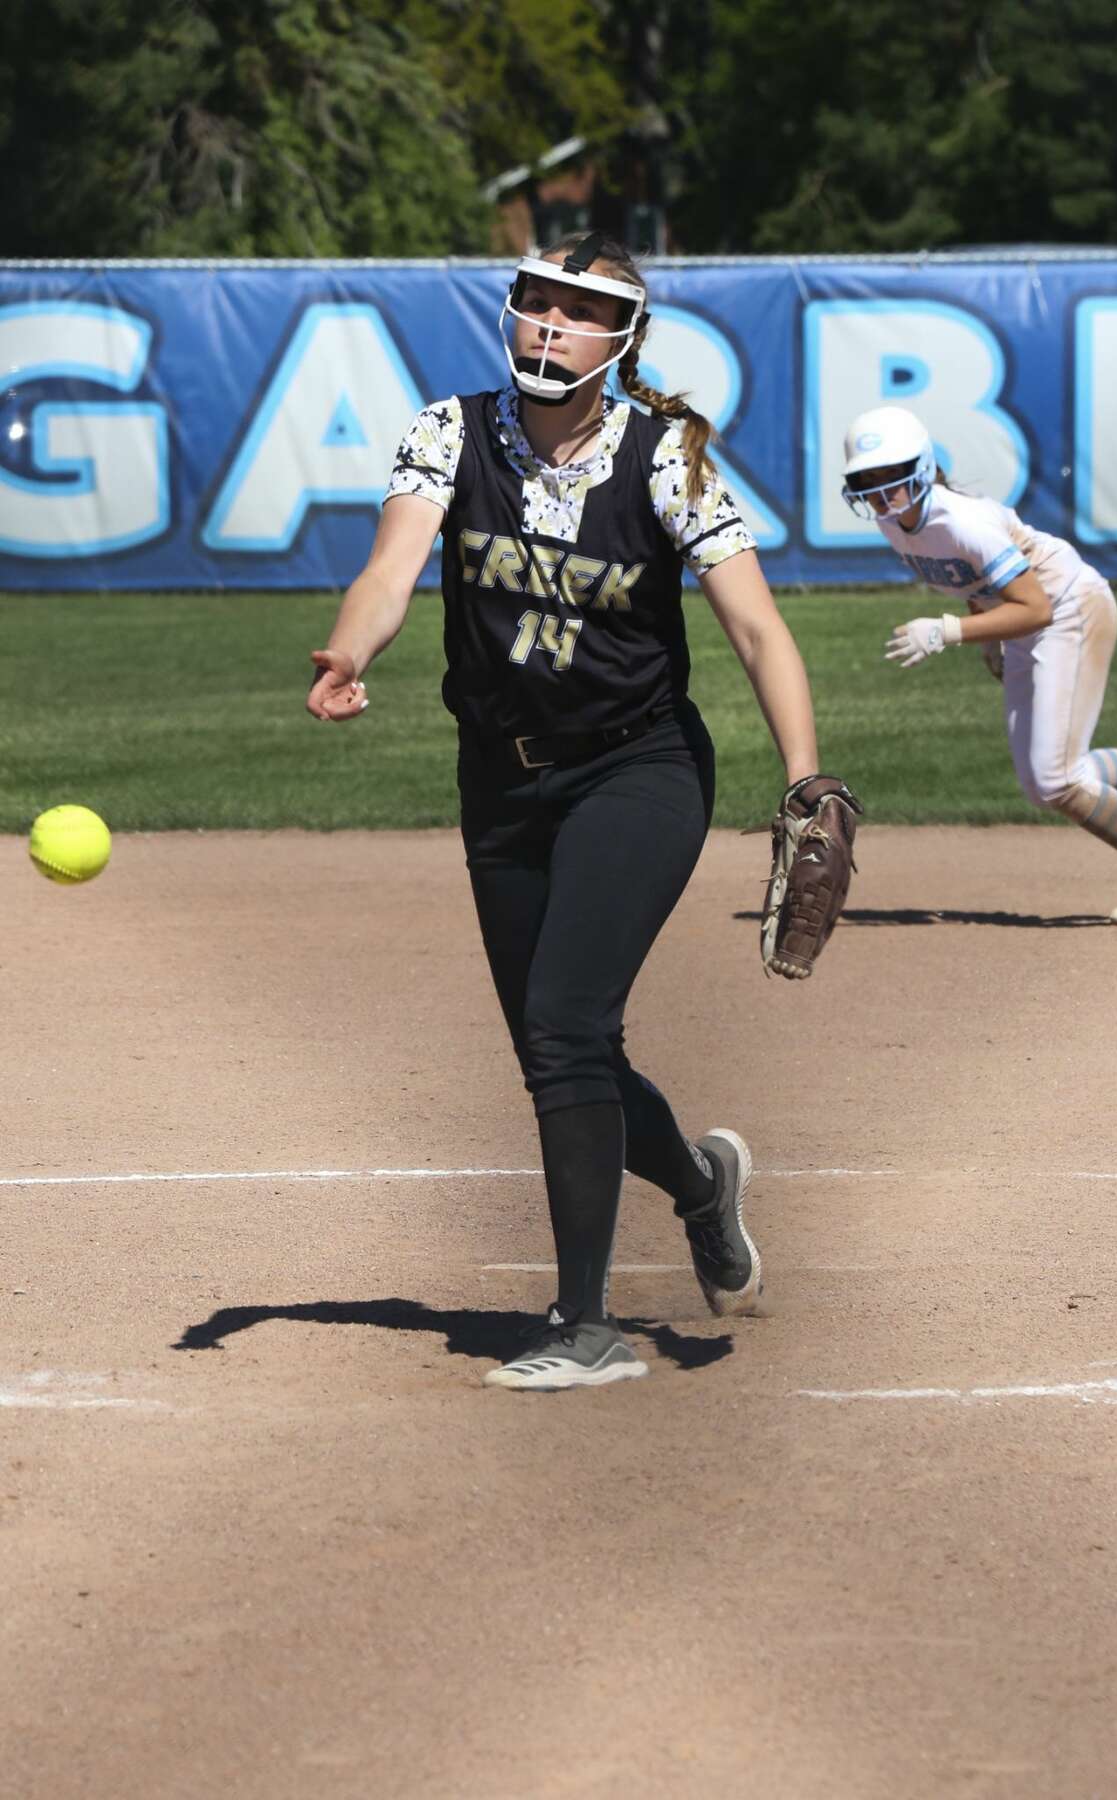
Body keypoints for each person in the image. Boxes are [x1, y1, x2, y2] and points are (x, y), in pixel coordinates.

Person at [307, 232, 850, 1390]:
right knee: (566, 1047)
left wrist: (804, 776)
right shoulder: (449, 432)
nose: (552, 327)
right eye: (537, 304)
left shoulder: (669, 460)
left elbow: (757, 629)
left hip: (637, 767)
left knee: (562, 1024)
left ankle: (587, 1327)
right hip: (500, 779)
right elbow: (391, 568)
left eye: (582, 311)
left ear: (625, 338)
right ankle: (703, 1191)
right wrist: (351, 652)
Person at [841, 406, 1117, 926]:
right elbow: (968, 578)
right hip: (1028, 619)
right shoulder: (894, 521)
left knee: (1057, 779)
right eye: (865, 480)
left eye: (889, 475)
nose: (879, 491)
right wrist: (984, 627)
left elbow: (1038, 607)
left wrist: (949, 631)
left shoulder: (960, 520)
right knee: (1043, 783)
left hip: (1068, 608)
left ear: (921, 467)